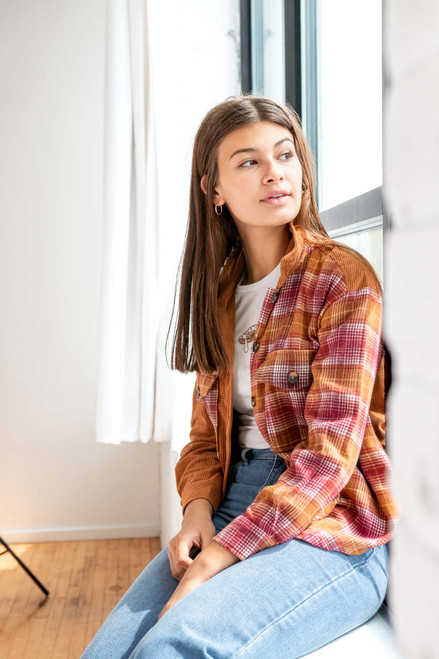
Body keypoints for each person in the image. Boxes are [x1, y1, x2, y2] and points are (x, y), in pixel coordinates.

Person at [81, 94, 400, 659]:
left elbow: (328, 460)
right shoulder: (221, 292)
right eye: (248, 161)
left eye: (285, 155)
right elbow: (206, 438)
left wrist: (219, 558)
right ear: (215, 190)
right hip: (234, 499)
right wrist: (198, 513)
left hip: (330, 524)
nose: (274, 172)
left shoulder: (342, 279)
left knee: (173, 647)